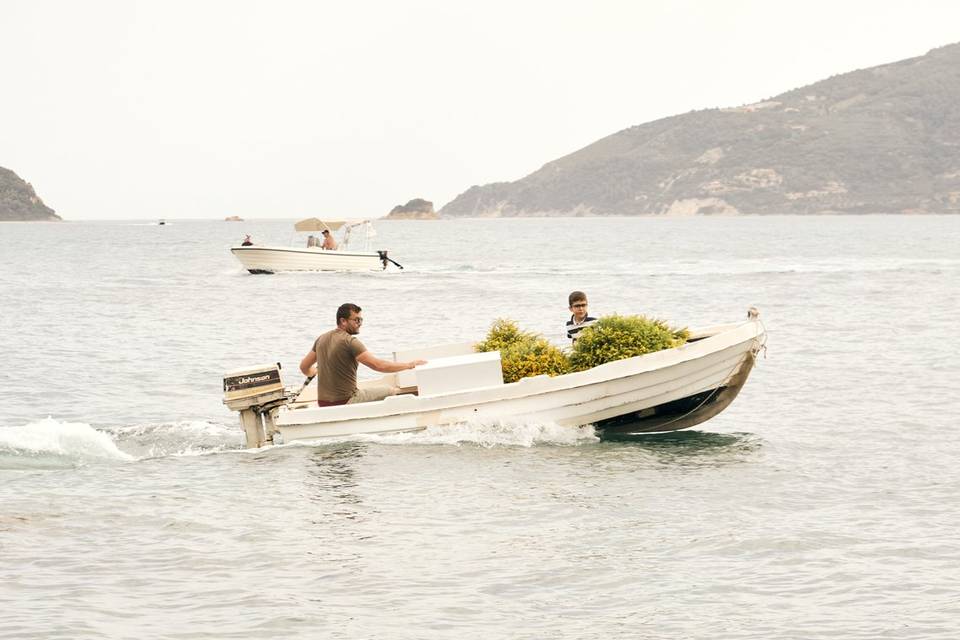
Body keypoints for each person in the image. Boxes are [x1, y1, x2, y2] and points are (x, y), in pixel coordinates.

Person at [299, 303, 426, 406]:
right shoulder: (350, 342)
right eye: (357, 320)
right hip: (346, 401)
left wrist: (314, 372)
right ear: (343, 321)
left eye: (361, 320)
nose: (360, 323)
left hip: (323, 403)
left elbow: (304, 367)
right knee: (390, 391)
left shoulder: (321, 338)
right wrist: (410, 365)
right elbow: (378, 366)